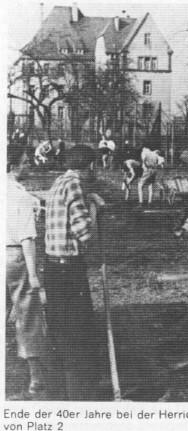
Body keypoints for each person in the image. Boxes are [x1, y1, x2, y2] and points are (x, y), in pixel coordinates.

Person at [44, 146, 104, 401]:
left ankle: (55, 391)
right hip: (69, 267)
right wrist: (96, 210)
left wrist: (89, 197)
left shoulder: (59, 181)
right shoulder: (75, 185)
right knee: (77, 330)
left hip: (52, 266)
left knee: (58, 327)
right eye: (96, 165)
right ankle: (79, 396)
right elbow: (84, 230)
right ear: (88, 166)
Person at [6, 146, 46, 397]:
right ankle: (36, 379)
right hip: (15, 257)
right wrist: (34, 275)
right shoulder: (20, 196)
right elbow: (28, 238)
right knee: (27, 315)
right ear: (12, 166)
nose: (29, 165)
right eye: (25, 162)